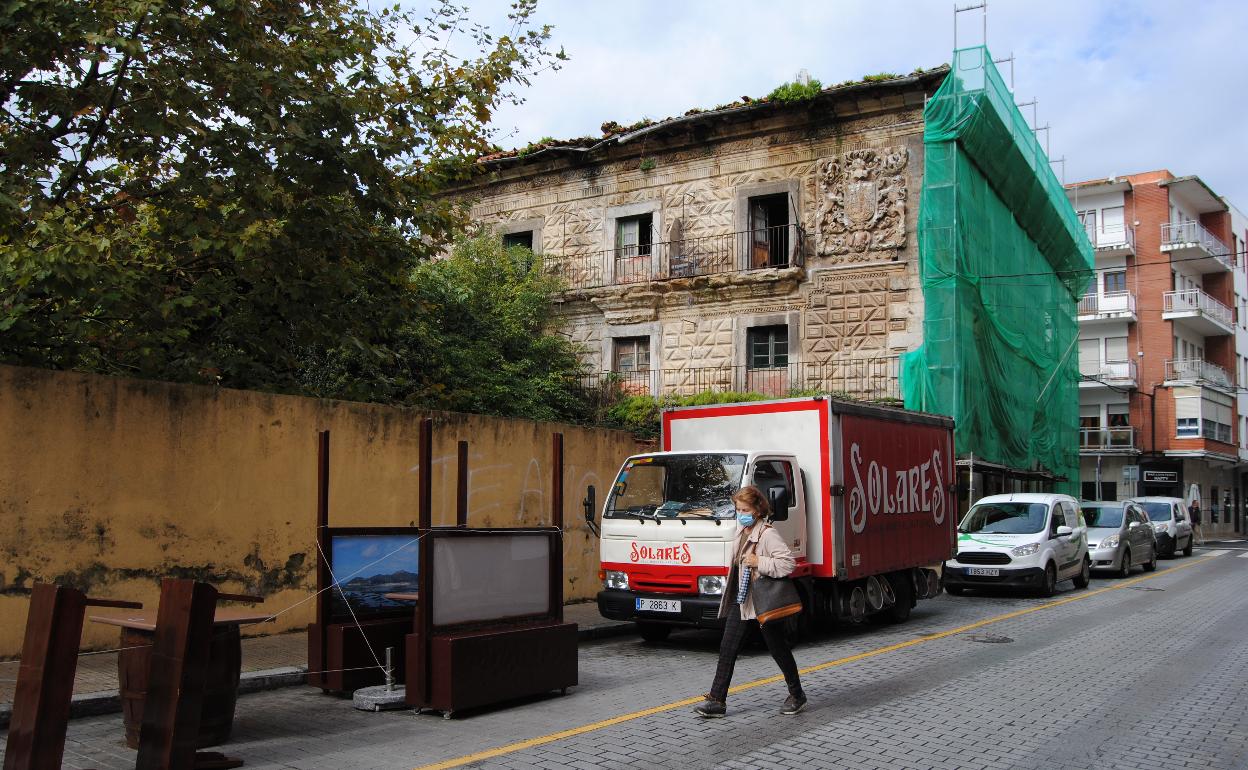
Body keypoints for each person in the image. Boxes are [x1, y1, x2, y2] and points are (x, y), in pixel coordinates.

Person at [694, 485, 806, 718]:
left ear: (757, 510)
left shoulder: (767, 533)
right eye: (737, 508)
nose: (740, 513)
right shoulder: (742, 530)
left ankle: (797, 694)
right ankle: (717, 700)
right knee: (727, 648)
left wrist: (759, 561)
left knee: (778, 649)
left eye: (744, 509)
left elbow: (787, 563)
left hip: (763, 601)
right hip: (743, 599)